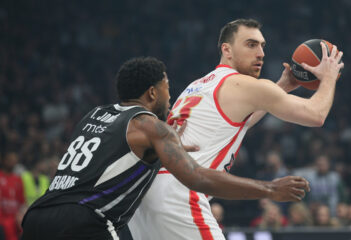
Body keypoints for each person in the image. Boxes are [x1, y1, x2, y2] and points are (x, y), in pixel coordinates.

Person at [21, 57, 310, 240]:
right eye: (167, 88)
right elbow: (198, 177)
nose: (170, 97)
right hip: (82, 222)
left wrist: (165, 146)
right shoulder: (150, 127)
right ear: (152, 93)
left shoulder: (95, 115)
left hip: (38, 216)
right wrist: (270, 189)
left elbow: (112, 159)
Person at [129, 18, 343, 239]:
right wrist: (328, 78)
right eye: (251, 45)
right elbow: (315, 115)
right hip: (178, 195)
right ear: (227, 49)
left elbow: (243, 122)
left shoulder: (198, 84)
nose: (260, 53)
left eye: (262, 46)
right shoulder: (245, 85)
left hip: (144, 196)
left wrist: (282, 87)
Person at [0, 152, 25, 240]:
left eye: (14, 161)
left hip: (16, 222)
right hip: (2, 222)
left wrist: (21, 216)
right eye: (10, 160)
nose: (12, 163)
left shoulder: (18, 179)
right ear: (4, 161)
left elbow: (22, 203)